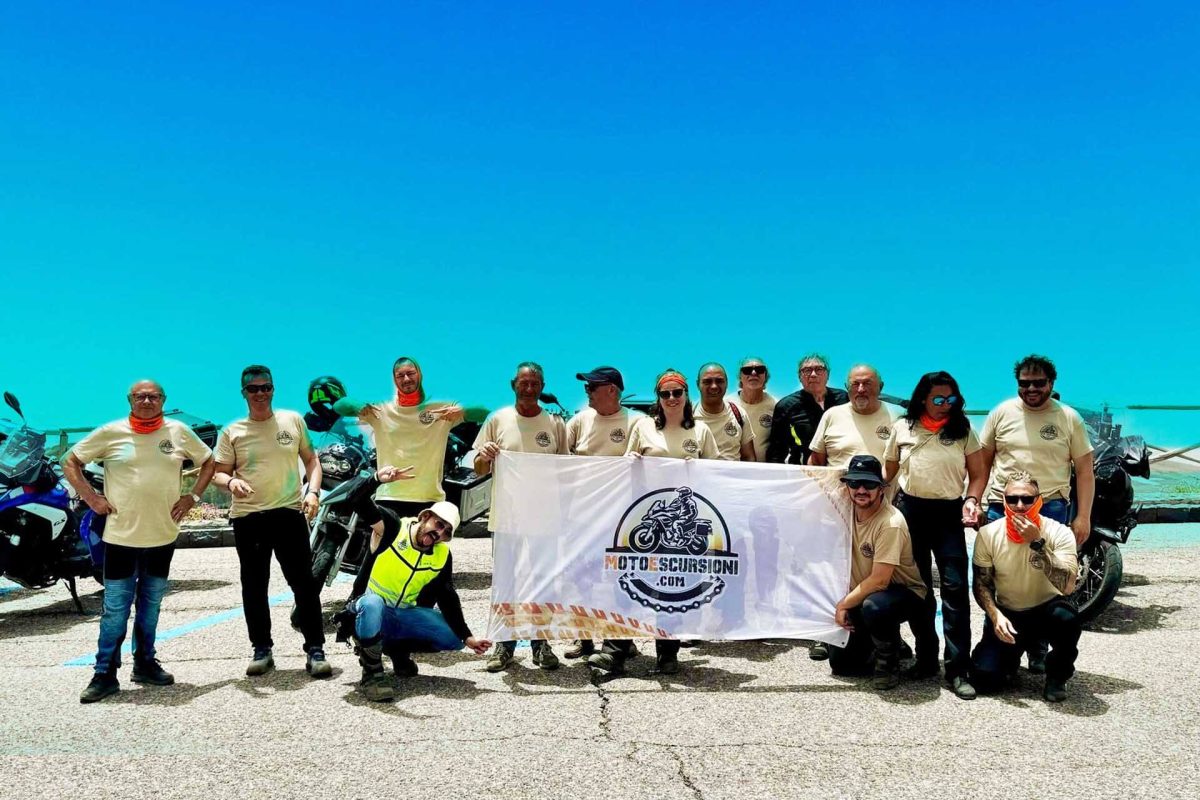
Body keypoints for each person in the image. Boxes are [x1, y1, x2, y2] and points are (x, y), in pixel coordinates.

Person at [65, 380, 215, 703]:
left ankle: (145, 663)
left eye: (153, 396)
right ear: (129, 400)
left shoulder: (178, 432)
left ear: (163, 400)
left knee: (151, 605)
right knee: (115, 609)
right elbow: (70, 461)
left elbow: (209, 461)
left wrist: (193, 497)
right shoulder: (110, 432)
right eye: (140, 396)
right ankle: (104, 673)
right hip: (120, 538)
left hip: (162, 536)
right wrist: (91, 498)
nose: (147, 400)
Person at [588, 369, 718, 676]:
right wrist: (630, 460)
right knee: (627, 582)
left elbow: (717, 474)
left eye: (677, 393)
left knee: (670, 585)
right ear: (658, 398)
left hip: (685, 516)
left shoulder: (700, 432)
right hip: (644, 512)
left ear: (687, 396)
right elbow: (626, 466)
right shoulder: (644, 427)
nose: (671, 398)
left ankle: (667, 653)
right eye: (665, 393)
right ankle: (614, 652)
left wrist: (699, 468)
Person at [212, 365, 331, 678]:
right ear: (244, 393)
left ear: (273, 389)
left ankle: (315, 649)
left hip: (289, 513)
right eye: (254, 389)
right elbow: (219, 472)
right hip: (248, 517)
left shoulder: (292, 420)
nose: (261, 393)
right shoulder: (232, 431)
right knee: (254, 586)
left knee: (303, 583)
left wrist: (313, 492)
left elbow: (311, 460)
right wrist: (230, 483)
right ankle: (262, 648)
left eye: (266, 387)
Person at [979, 354, 1094, 672]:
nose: (1031, 389)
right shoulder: (1001, 413)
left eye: (1038, 383)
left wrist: (1083, 516)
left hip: (1053, 507)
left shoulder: (1068, 418)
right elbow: (981, 462)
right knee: (1000, 576)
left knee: (1046, 577)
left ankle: (1039, 649)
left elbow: (1084, 471)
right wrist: (972, 499)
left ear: (1051, 384)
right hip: (1002, 506)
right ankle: (1001, 635)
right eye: (1024, 383)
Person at [883, 371, 987, 699]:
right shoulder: (903, 426)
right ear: (923, 400)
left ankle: (957, 668)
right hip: (911, 511)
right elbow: (889, 470)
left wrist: (972, 499)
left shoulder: (963, 429)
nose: (945, 405)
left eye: (951, 399)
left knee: (955, 590)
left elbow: (978, 473)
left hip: (948, 514)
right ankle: (926, 659)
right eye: (938, 400)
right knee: (920, 590)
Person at [346, 467, 491, 702]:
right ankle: (372, 674)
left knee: (452, 639)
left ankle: (397, 649)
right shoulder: (392, 527)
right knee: (373, 603)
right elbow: (355, 499)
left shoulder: (441, 555)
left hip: (402, 614)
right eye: (438, 523)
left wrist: (468, 637)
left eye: (446, 531)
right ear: (425, 517)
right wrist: (375, 480)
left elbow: (448, 597)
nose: (439, 532)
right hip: (367, 609)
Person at [473, 362, 568, 672]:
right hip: (508, 516)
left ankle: (541, 643)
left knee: (542, 580)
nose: (529, 389)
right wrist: (484, 456)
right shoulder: (497, 419)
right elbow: (478, 469)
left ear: (542, 387)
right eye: (524, 383)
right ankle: (505, 645)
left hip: (545, 517)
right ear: (513, 384)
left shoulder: (555, 424)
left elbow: (566, 470)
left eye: (535, 384)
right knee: (507, 581)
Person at [829, 456, 938, 690]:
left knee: (875, 606)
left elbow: (880, 581)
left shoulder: (890, 523)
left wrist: (843, 605)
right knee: (843, 666)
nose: (861, 490)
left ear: (882, 489)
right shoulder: (846, 509)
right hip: (866, 593)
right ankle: (888, 642)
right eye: (854, 483)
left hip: (904, 593)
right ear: (845, 486)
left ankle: (888, 660)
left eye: (869, 484)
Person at [971, 473, 1080, 702]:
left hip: (1046, 610)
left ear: (1038, 501)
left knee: (1067, 619)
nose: (1019, 506)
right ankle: (1013, 657)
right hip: (1010, 614)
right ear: (1004, 500)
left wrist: (1038, 544)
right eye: (1012, 499)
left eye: (1027, 500)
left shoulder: (1059, 532)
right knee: (984, 679)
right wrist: (995, 616)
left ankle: (1057, 675)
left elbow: (1068, 586)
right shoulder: (988, 534)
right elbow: (981, 584)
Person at [562, 365, 638, 660]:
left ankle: (621, 638)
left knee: (621, 583)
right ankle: (584, 639)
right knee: (582, 581)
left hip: (620, 520)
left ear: (611, 390)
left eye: (591, 387)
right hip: (582, 518)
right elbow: (557, 459)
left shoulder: (636, 423)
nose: (587, 392)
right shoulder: (579, 421)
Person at [766, 353, 848, 465]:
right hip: (803, 471)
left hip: (840, 467)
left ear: (827, 375)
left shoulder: (844, 399)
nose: (813, 374)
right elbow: (777, 448)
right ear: (799, 377)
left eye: (819, 369)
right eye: (807, 370)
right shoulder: (786, 406)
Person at [808, 364, 894, 468]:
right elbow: (816, 462)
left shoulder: (899, 417)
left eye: (867, 383)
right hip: (837, 484)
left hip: (885, 484)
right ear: (847, 387)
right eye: (855, 384)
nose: (861, 389)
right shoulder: (831, 416)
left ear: (881, 386)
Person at [692, 363, 755, 462]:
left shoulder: (738, 414)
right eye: (707, 382)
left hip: (733, 476)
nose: (714, 386)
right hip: (700, 477)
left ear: (727, 383)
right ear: (698, 384)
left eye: (719, 381)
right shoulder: (688, 416)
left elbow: (748, 457)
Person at [733, 357, 776, 462]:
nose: (753, 373)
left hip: (766, 472)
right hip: (735, 472)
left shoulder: (776, 405)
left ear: (765, 376)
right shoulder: (728, 405)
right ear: (740, 377)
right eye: (747, 370)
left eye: (760, 370)